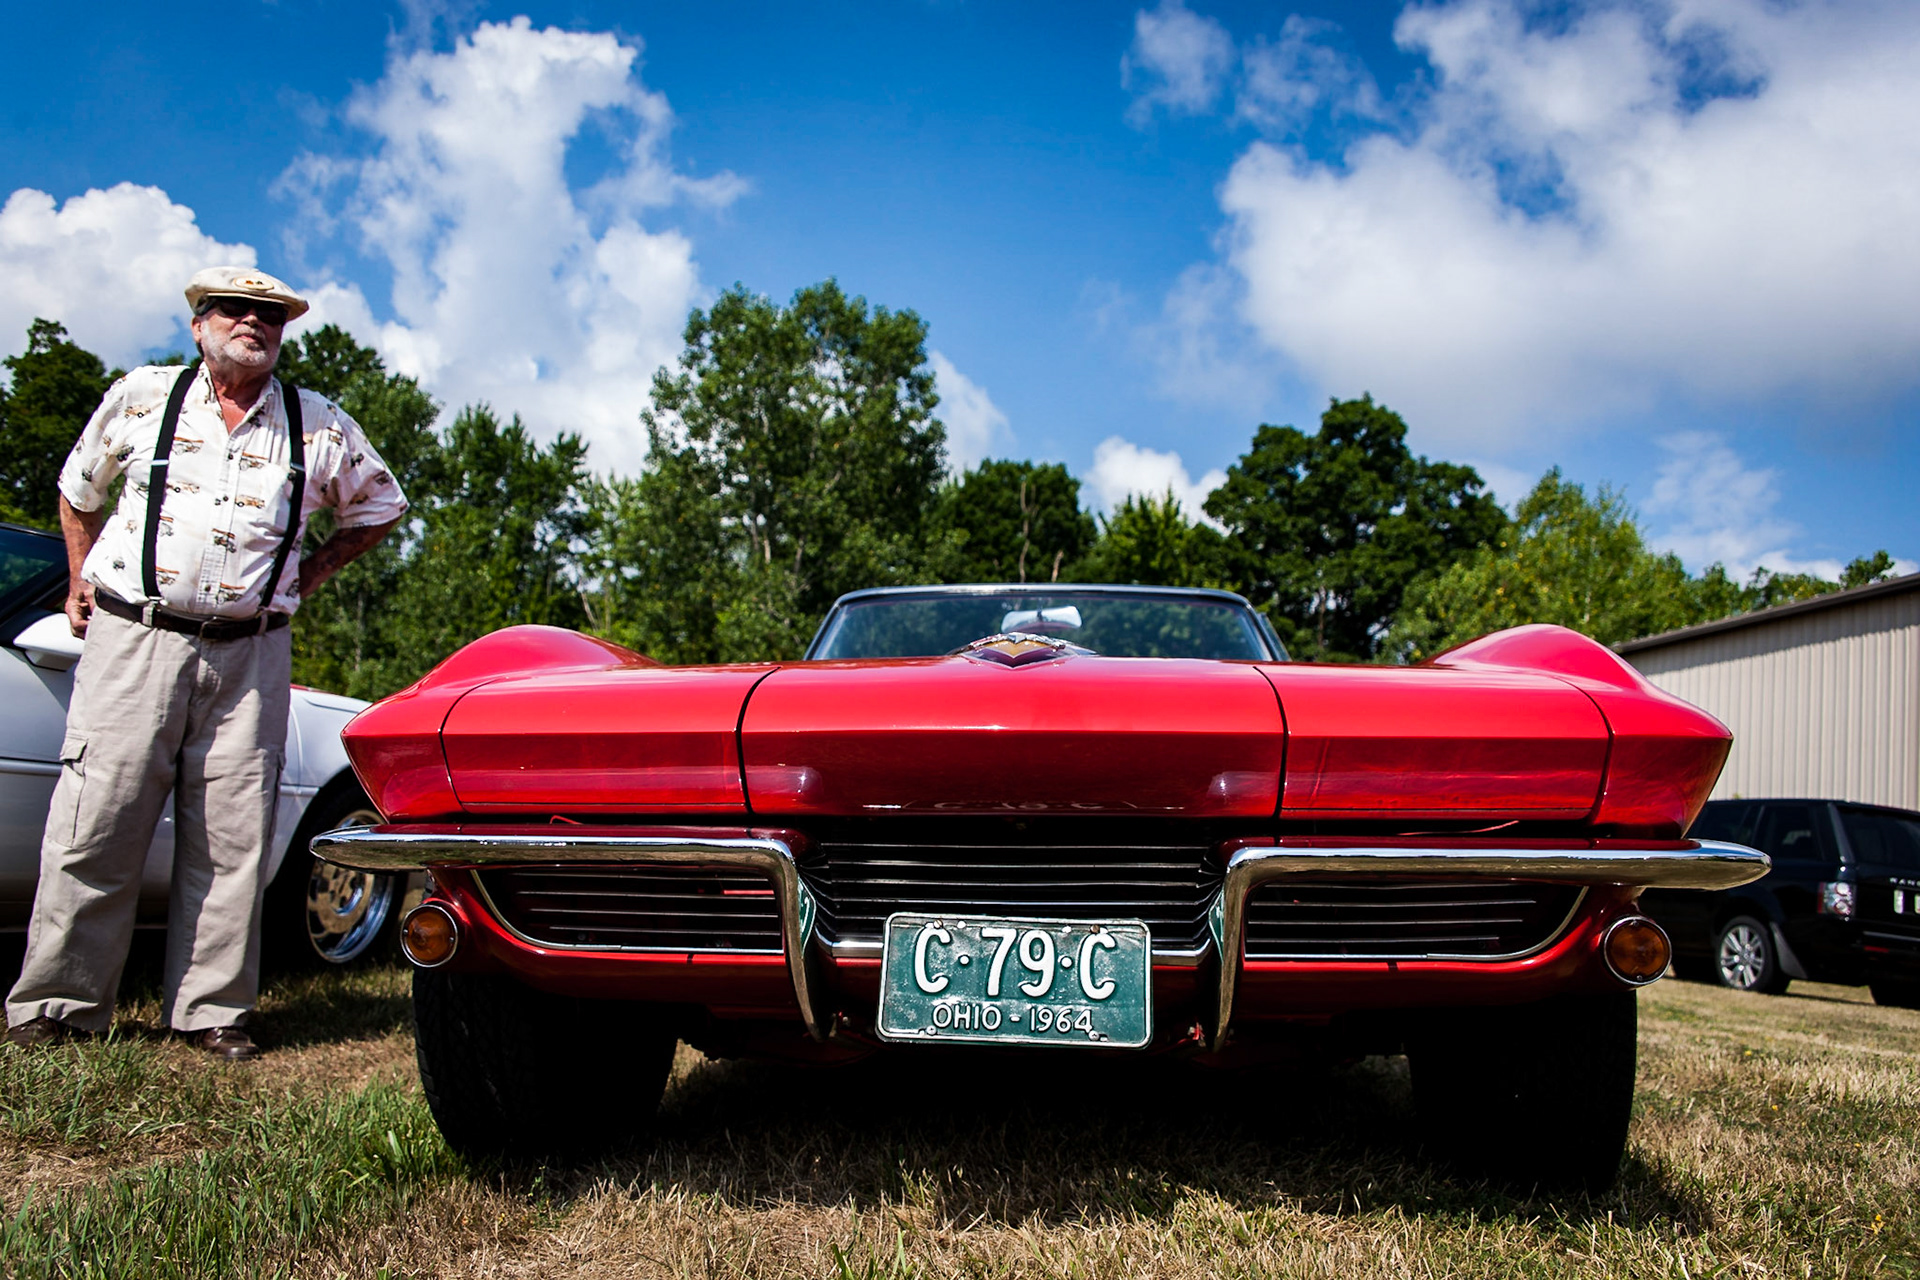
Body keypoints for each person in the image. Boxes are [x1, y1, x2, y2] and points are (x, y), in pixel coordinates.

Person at [3, 266, 409, 1060]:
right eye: (234, 310)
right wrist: (81, 573)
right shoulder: (143, 397)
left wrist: (309, 575)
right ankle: (58, 1004)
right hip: (136, 635)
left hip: (253, 651)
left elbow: (382, 505)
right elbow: (79, 488)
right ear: (199, 324)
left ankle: (211, 1012)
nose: (252, 323)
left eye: (270, 315)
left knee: (232, 838)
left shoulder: (317, 423)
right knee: (98, 821)